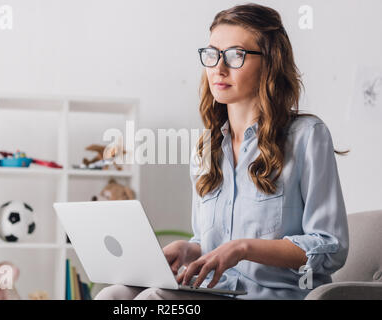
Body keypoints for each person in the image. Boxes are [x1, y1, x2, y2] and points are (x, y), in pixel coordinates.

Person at [95, 3, 349, 300]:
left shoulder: (307, 136)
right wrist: (190, 249)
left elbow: (330, 246)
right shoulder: (206, 147)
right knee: (113, 296)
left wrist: (244, 248)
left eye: (236, 55)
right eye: (213, 53)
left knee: (156, 301)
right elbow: (208, 242)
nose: (219, 67)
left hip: (275, 295)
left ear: (270, 62)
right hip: (217, 291)